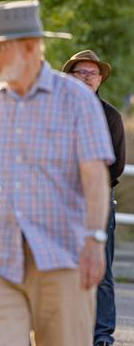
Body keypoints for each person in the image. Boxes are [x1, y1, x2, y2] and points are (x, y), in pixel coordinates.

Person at [0, 0, 115, 345]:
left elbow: (95, 177)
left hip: (61, 257)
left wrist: (94, 241)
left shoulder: (77, 100)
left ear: (29, 47)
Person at [62, 50, 126, 346]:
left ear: (100, 79)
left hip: (96, 200)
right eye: (80, 73)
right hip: (59, 200)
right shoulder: (55, 112)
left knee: (100, 268)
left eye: (92, 73)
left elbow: (116, 165)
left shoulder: (110, 115)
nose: (86, 78)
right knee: (59, 266)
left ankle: (101, 335)